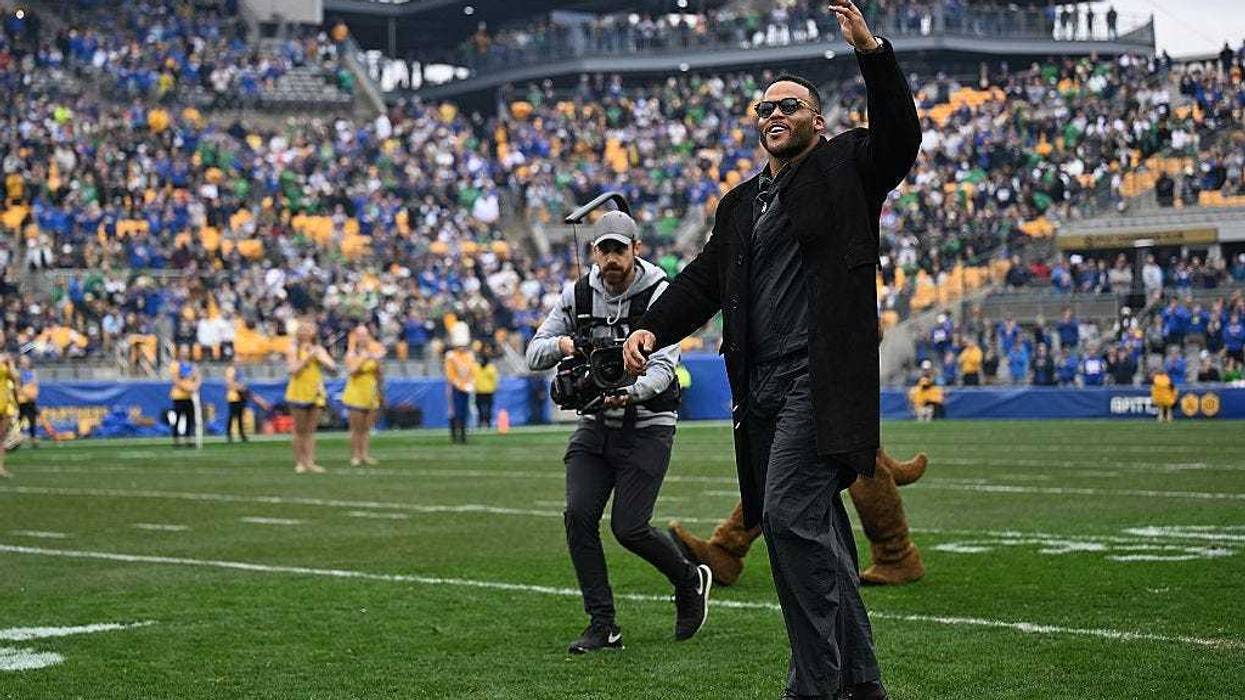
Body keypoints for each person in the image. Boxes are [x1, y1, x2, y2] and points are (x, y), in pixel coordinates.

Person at [623, 2, 919, 695]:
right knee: (818, 535)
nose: (773, 112)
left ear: (816, 120)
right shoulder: (740, 202)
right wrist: (651, 327)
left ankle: (814, 685)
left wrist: (870, 52)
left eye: (789, 103)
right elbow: (702, 282)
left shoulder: (848, 163)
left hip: (820, 382)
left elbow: (899, 141)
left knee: (786, 515)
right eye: (764, 106)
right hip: (760, 391)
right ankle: (861, 684)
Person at [527, 209, 711, 655]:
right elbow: (534, 353)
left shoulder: (659, 293)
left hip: (648, 423)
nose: (611, 260)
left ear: (636, 250)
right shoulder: (577, 294)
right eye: (603, 250)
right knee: (578, 516)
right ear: (593, 252)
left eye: (619, 250)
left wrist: (631, 391)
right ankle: (603, 624)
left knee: (629, 528)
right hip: (595, 423)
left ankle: (690, 578)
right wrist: (565, 345)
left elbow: (666, 367)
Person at [285, 320, 337, 473]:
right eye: (303, 329)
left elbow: (333, 368)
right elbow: (293, 370)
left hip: (315, 391)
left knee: (310, 430)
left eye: (309, 329)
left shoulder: (318, 349)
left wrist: (323, 359)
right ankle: (300, 462)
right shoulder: (293, 348)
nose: (306, 333)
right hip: (298, 391)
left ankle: (310, 461)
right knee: (299, 429)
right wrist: (308, 357)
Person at [343, 325, 385, 466]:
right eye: (359, 335)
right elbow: (352, 370)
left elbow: (379, 373)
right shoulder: (352, 353)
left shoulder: (374, 353)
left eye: (365, 334)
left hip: (371, 391)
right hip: (356, 392)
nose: (362, 338)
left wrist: (380, 390)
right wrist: (364, 357)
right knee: (356, 427)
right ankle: (356, 455)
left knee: (366, 427)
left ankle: (365, 454)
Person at [225, 361, 271, 443]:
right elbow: (229, 383)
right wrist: (240, 388)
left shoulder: (240, 371)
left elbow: (243, 384)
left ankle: (241, 434)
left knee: (240, 416)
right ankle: (229, 435)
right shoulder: (231, 370)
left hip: (241, 396)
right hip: (234, 396)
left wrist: (243, 389)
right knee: (232, 416)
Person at [444, 325, 475, 444]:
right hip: (454, 387)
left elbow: (472, 371)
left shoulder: (469, 356)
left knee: (464, 412)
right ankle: (454, 436)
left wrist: (471, 383)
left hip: (467, 387)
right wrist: (461, 385)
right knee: (454, 411)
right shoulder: (451, 356)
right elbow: (450, 374)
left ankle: (463, 435)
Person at [168, 345, 201, 448]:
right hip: (178, 396)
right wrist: (188, 388)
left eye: (186, 351)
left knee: (189, 419)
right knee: (177, 419)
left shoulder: (192, 365)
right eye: (183, 351)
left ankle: (188, 440)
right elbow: (175, 380)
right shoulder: (175, 365)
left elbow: (198, 377)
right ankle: (176, 441)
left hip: (189, 397)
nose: (185, 353)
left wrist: (196, 386)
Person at [472, 346, 499, 429]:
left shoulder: (491, 368)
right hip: (479, 391)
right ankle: (481, 423)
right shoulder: (475, 367)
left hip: (488, 391)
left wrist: (495, 387)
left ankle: (487, 423)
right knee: (480, 409)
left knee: (488, 409)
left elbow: (495, 379)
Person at [16, 355, 38, 447]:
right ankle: (17, 439)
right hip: (21, 400)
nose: (25, 362)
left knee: (32, 420)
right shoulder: (17, 373)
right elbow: (18, 386)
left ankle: (33, 439)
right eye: (23, 361)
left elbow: (34, 384)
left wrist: (33, 395)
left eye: (26, 360)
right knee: (19, 421)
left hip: (30, 400)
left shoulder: (32, 372)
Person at [0, 353, 15, 477]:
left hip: (4, 401)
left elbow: (15, 378)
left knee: (2, 437)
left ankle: (0, 467)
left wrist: (9, 365)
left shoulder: (5, 358)